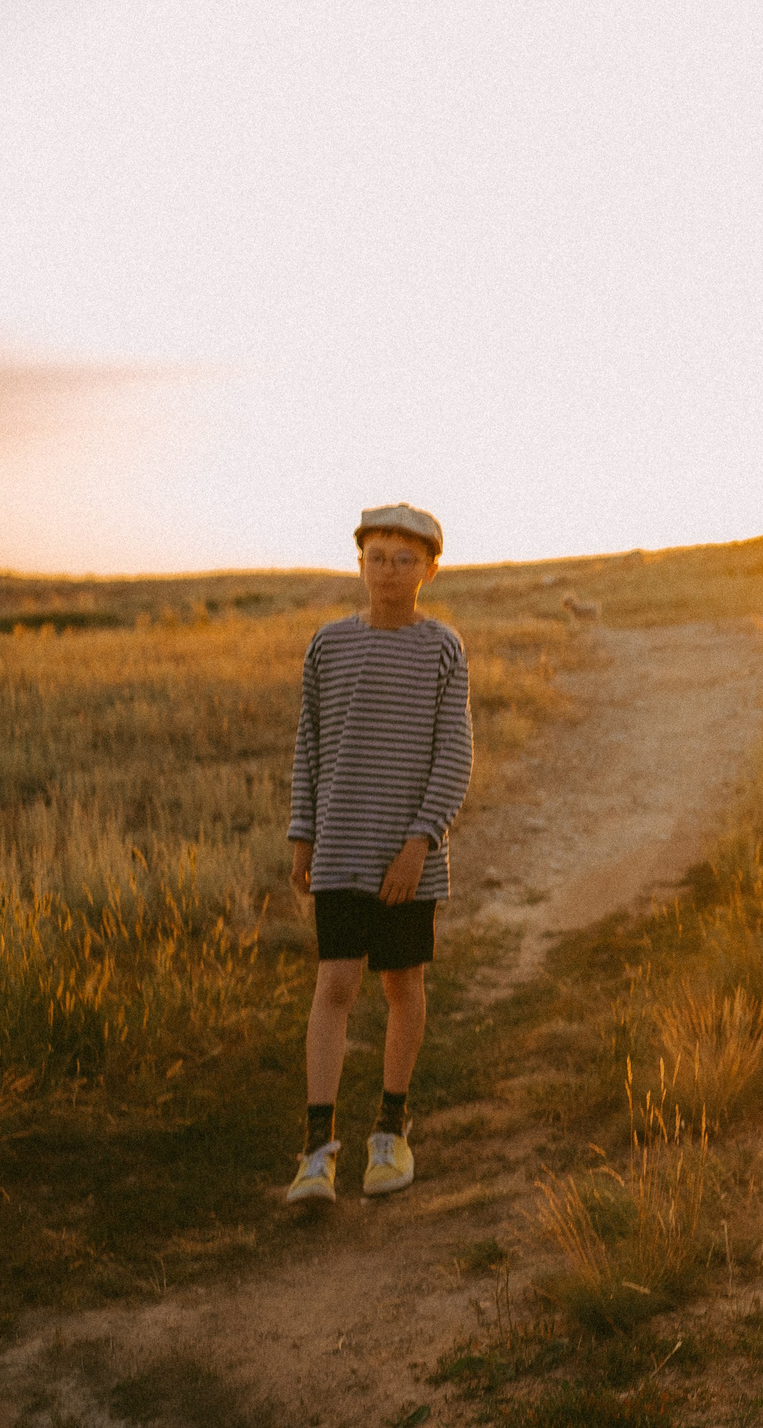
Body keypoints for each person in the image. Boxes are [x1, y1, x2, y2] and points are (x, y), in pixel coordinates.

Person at [284, 503, 473, 1204]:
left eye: (404, 558)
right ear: (359, 563)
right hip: (339, 847)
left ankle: (390, 1132)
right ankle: (317, 1151)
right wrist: (302, 832)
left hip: (407, 856)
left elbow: (454, 755)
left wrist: (421, 840)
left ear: (428, 567)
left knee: (402, 986)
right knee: (334, 986)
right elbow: (310, 745)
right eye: (377, 556)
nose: (388, 570)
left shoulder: (442, 648)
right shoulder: (328, 645)